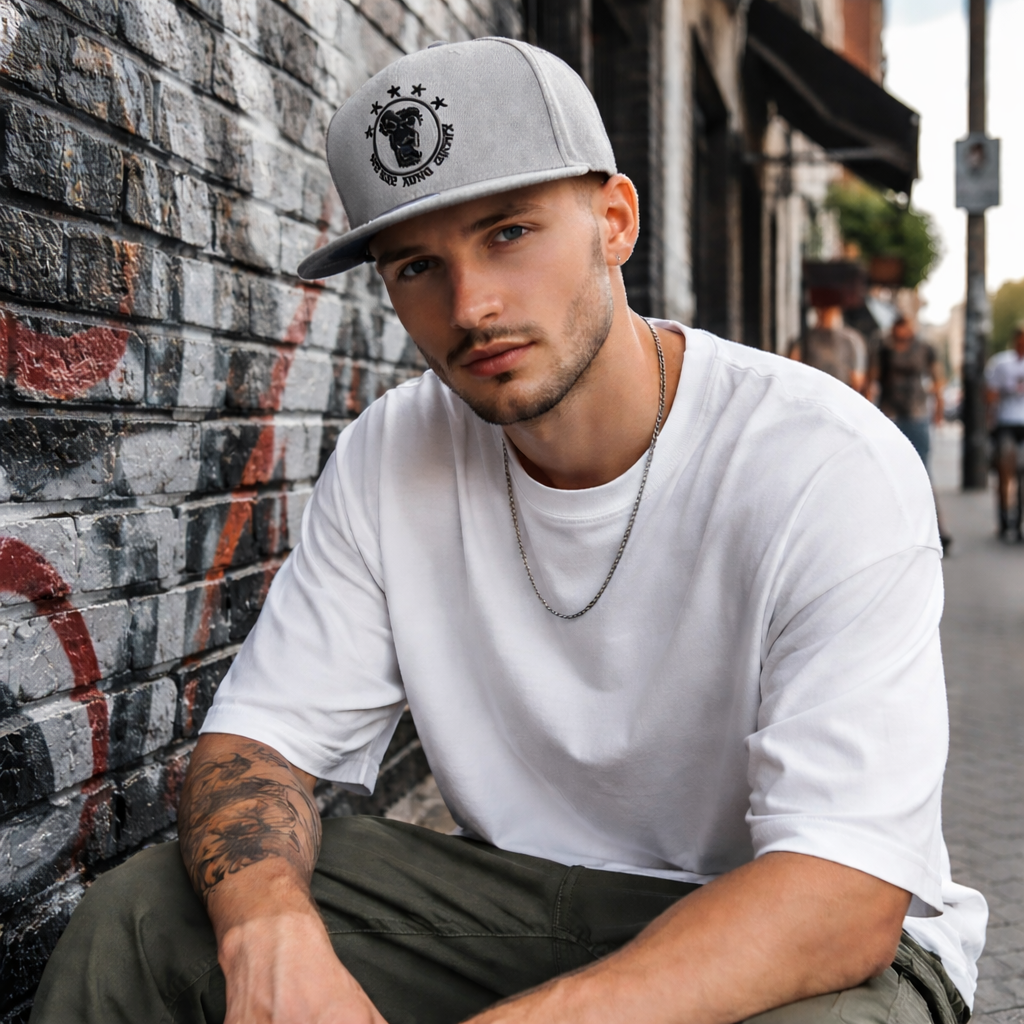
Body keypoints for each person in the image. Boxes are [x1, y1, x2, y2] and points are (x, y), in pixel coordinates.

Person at [31, 38, 985, 1024]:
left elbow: (840, 896)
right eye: (417, 266)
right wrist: (268, 933)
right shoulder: (392, 454)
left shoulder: (823, 463)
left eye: (509, 233)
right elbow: (256, 746)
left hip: (812, 934)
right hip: (525, 906)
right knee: (147, 917)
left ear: (614, 221)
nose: (471, 306)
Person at [875, 316, 952, 550]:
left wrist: (938, 409)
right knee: (888, 472)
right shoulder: (884, 349)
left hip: (917, 414)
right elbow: (872, 378)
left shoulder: (925, 348)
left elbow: (938, 380)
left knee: (923, 471)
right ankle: (891, 531)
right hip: (890, 414)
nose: (903, 330)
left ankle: (937, 530)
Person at [985, 320, 1024, 540]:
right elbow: (990, 395)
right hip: (1007, 423)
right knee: (1005, 472)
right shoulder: (1002, 363)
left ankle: (1018, 523)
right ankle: (1003, 519)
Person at [788, 304, 868, 394]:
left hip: (839, 397)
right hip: (810, 395)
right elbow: (793, 372)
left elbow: (857, 381)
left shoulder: (852, 341)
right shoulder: (803, 340)